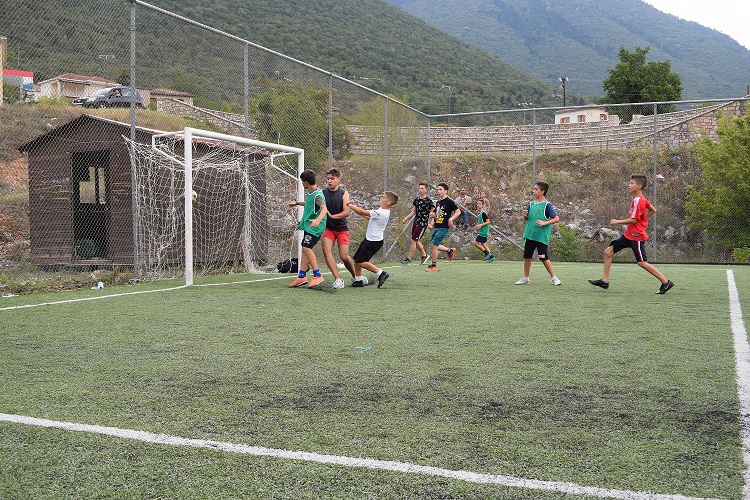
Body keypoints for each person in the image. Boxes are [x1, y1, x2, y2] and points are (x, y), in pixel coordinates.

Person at [589, 174, 674, 294]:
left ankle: (666, 282)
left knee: (642, 262)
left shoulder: (639, 200)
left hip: (636, 236)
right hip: (629, 234)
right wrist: (643, 220)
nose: (629, 185)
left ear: (639, 186)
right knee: (608, 252)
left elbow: (634, 220)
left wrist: (617, 221)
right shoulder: (639, 199)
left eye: (631, 183)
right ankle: (605, 281)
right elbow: (652, 210)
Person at [347, 191, 399, 288]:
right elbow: (368, 216)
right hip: (369, 239)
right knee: (356, 259)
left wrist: (349, 205)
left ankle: (381, 273)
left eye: (383, 197)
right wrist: (357, 210)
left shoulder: (382, 212)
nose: (381, 198)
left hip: (374, 242)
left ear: (388, 202)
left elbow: (362, 212)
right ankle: (358, 281)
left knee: (361, 261)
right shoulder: (382, 210)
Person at [286, 170, 328, 288]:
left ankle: (318, 275)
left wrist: (317, 220)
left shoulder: (318, 195)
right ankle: (301, 276)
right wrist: (296, 203)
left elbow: (324, 208)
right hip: (309, 225)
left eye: (302, 182)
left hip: (315, 227)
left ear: (306, 182)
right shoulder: (311, 193)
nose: (302, 184)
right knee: (305, 248)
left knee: (306, 247)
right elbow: (309, 203)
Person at [515, 182, 561, 286]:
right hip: (530, 235)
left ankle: (554, 278)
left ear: (542, 192)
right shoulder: (531, 204)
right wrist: (525, 215)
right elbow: (527, 218)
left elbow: (556, 218)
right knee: (527, 256)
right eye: (534, 189)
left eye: (536, 189)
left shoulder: (547, 205)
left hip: (541, 237)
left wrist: (545, 222)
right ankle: (526, 278)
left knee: (543, 257)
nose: (533, 191)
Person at [321, 168, 356, 289]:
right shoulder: (323, 193)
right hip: (328, 228)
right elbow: (311, 204)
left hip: (342, 229)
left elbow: (346, 212)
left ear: (338, 179)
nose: (329, 181)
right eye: (328, 179)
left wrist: (333, 216)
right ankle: (338, 279)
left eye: (332, 178)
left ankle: (356, 276)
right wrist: (297, 203)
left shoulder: (344, 194)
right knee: (326, 249)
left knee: (344, 256)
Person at [425, 183, 461, 272]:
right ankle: (450, 251)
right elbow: (436, 214)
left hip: (444, 227)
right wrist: (431, 221)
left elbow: (458, 211)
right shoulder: (438, 202)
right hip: (437, 226)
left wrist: (450, 219)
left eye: (440, 189)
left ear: (446, 191)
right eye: (438, 189)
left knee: (434, 245)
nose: (438, 191)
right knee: (434, 245)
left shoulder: (449, 201)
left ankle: (433, 266)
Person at [401, 182, 434, 266]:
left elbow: (433, 213)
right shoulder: (417, 199)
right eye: (419, 188)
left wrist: (431, 223)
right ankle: (424, 255)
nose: (420, 190)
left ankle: (408, 259)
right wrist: (406, 218)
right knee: (415, 240)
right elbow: (414, 211)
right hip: (416, 222)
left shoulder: (428, 201)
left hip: (422, 224)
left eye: (422, 188)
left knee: (413, 240)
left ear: (426, 190)